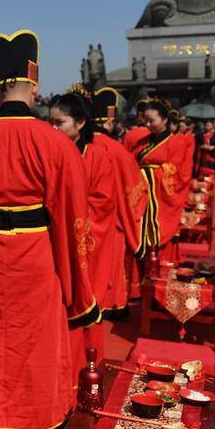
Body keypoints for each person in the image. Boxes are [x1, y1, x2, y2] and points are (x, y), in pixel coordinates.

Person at [0, 30, 99, 429]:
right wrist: (79, 294)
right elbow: (74, 221)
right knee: (34, 344)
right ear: (34, 84)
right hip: (36, 258)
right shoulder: (56, 144)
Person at [49, 87, 115, 364]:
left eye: (59, 123)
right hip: (55, 236)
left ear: (80, 122)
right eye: (50, 122)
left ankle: (85, 370)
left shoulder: (97, 155)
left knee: (83, 295)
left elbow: (103, 202)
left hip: (85, 237)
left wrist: (71, 211)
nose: (53, 128)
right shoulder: (51, 151)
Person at [90, 87, 147, 319]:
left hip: (83, 216)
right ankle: (111, 303)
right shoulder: (117, 149)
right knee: (109, 264)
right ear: (111, 122)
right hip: (111, 217)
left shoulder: (75, 146)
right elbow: (134, 188)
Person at [131, 100, 194, 263]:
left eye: (152, 120)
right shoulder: (143, 142)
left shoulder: (176, 142)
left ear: (165, 120)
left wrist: (146, 174)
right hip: (141, 199)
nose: (148, 124)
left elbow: (177, 173)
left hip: (162, 201)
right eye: (146, 120)